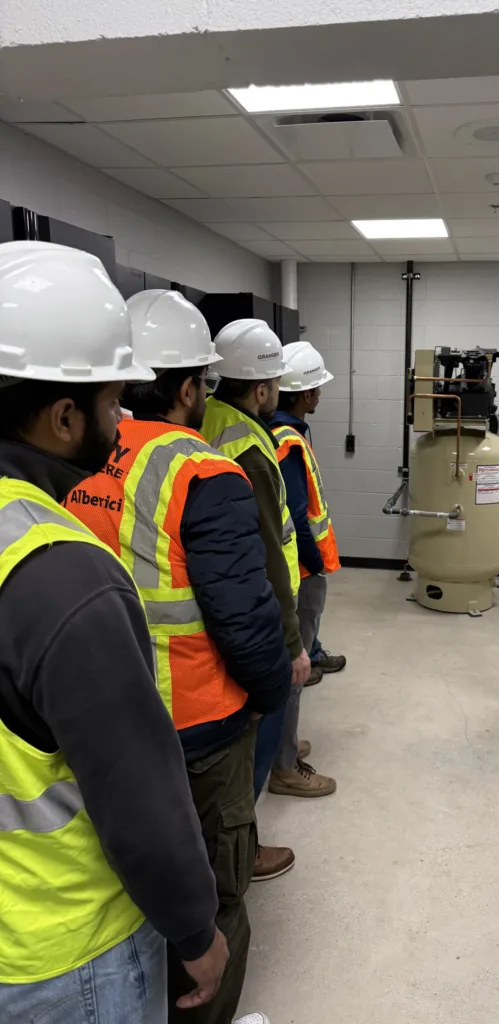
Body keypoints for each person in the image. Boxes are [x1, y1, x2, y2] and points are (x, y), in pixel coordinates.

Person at [0, 242, 226, 1023]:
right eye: (110, 398)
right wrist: (196, 927)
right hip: (61, 950)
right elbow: (137, 796)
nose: (123, 414)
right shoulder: (61, 573)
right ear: (63, 417)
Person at [64, 288, 291, 1024]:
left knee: (133, 891)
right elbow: (244, 615)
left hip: (102, 720)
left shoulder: (78, 459)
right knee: (213, 896)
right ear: (192, 385)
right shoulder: (202, 471)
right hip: (199, 723)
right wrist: (269, 693)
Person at [201, 319, 329, 833]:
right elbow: (272, 539)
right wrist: (293, 638)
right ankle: (245, 842)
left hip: (224, 589)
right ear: (262, 387)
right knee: (272, 695)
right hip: (261, 597)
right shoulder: (251, 447)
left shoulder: (210, 418)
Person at [270, 341, 344, 798]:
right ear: (305, 394)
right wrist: (315, 566)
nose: (319, 394)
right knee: (295, 669)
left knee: (291, 665)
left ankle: (285, 743)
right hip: (299, 571)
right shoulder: (289, 440)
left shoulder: (277, 430)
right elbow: (298, 515)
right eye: (315, 387)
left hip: (290, 567)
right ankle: (284, 766)